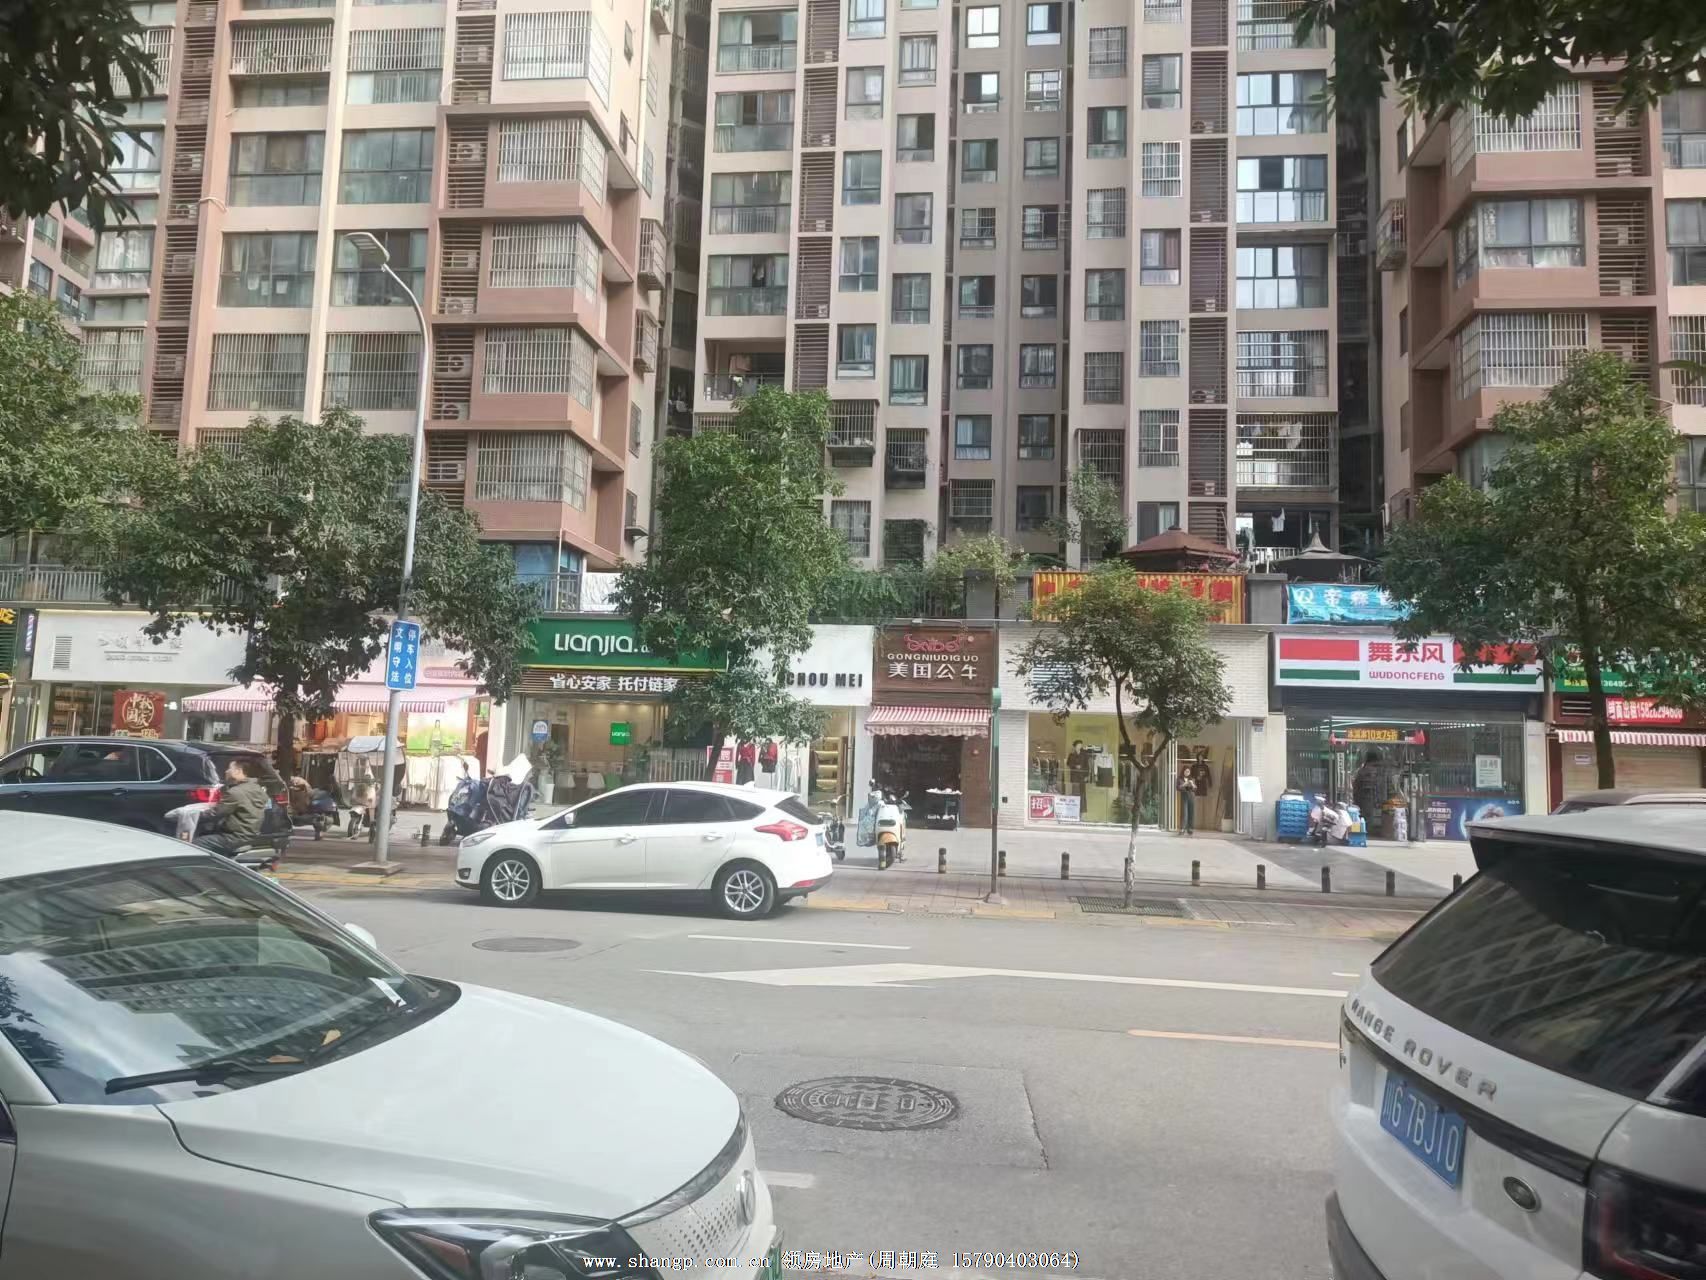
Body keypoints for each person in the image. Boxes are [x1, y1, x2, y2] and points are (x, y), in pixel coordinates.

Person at [195, 759, 269, 857]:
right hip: (250, 835)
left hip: (233, 837)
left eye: (229, 769)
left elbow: (216, 813)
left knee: (196, 844)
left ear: (238, 771)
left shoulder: (235, 792)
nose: (226, 771)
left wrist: (196, 815)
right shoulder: (257, 788)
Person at [1177, 760, 1198, 836]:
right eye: (1186, 771)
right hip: (1184, 796)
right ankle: (1182, 828)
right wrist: (1184, 784)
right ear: (1183, 771)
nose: (1187, 773)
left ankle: (1190, 828)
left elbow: (1195, 788)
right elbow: (1178, 788)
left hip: (1191, 796)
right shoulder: (1180, 779)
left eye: (1188, 771)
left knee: (1191, 812)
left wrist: (1192, 784)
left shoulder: (1192, 779)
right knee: (1184, 813)